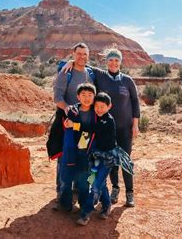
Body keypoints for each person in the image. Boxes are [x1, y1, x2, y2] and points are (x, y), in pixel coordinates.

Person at [61, 48, 140, 207]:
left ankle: (130, 193)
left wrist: (135, 125)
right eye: (110, 60)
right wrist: (71, 61)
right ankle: (115, 189)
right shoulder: (101, 75)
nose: (113, 63)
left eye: (116, 60)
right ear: (106, 62)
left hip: (125, 129)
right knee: (110, 161)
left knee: (125, 160)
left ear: (120, 62)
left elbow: (135, 102)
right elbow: (83, 62)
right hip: (105, 130)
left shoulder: (128, 81)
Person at [46, 43, 94, 200]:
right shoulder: (66, 72)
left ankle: (77, 188)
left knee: (82, 154)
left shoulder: (91, 73)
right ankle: (61, 190)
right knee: (65, 155)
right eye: (79, 54)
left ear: (88, 55)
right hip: (67, 123)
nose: (82, 57)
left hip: (84, 124)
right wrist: (68, 109)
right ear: (73, 55)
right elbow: (57, 97)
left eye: (85, 54)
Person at [54, 83, 96, 212]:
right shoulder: (72, 110)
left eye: (90, 95)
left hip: (86, 151)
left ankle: (84, 206)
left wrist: (76, 126)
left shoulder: (96, 113)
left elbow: (90, 130)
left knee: (84, 181)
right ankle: (65, 204)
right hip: (70, 149)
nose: (87, 98)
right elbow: (68, 125)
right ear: (78, 96)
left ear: (94, 97)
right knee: (66, 179)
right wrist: (76, 127)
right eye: (83, 95)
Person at [76, 92, 117, 226]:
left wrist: (74, 125)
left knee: (94, 186)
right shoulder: (96, 118)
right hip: (96, 157)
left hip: (108, 159)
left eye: (102, 106)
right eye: (97, 106)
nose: (99, 109)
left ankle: (85, 214)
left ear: (109, 106)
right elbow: (87, 132)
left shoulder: (108, 120)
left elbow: (89, 129)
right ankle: (107, 205)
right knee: (100, 183)